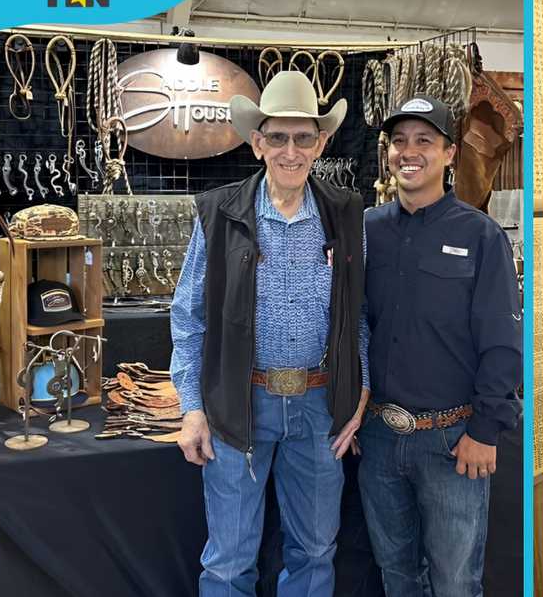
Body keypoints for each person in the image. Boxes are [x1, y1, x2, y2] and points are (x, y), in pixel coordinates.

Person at [170, 70, 367, 597]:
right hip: (239, 403)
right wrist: (192, 407)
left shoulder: (346, 216)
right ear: (257, 143)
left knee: (316, 554)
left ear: (320, 143)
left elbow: (358, 319)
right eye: (277, 137)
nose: (291, 150)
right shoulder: (218, 214)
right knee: (229, 561)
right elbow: (189, 319)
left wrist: (358, 396)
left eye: (304, 137)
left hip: (319, 405)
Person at [359, 95, 522, 596]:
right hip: (379, 440)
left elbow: (502, 340)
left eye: (424, 141)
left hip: (453, 444)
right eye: (399, 141)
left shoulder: (480, 235)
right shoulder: (367, 230)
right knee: (396, 576)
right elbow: (352, 326)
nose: (410, 152)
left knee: (454, 582)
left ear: (450, 153)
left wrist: (486, 430)